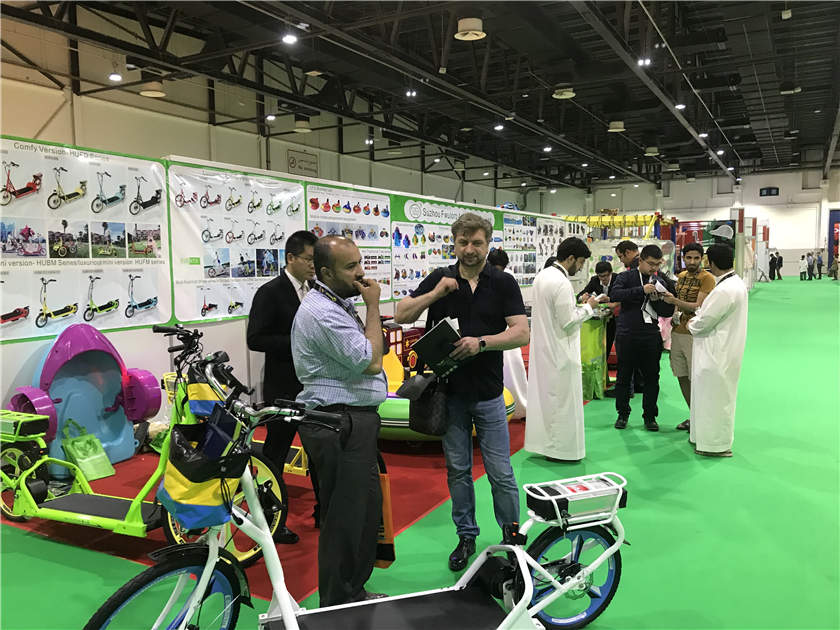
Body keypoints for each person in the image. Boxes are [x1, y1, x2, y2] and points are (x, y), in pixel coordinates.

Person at [395, 212, 529, 572]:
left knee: (501, 471)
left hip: (489, 393)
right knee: (457, 470)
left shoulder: (502, 283)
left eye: (477, 242)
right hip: (449, 394)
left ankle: (511, 537)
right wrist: (436, 293)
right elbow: (402, 314)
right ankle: (466, 535)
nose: (470, 249)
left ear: (488, 244)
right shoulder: (440, 278)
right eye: (463, 242)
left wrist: (481, 343)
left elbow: (521, 332)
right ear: (454, 243)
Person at [291, 235, 388, 605]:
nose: (360, 272)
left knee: (363, 513)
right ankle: (336, 604)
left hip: (352, 421)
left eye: (359, 262)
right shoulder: (321, 312)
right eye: (350, 267)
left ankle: (353, 591)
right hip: (338, 422)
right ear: (326, 272)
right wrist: (374, 306)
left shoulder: (336, 302)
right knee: (344, 519)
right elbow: (371, 361)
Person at [247, 230, 319, 536]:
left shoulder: (315, 290)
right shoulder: (270, 292)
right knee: (275, 453)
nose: (314, 265)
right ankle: (270, 521)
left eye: (316, 259)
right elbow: (255, 339)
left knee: (318, 452)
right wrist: (298, 343)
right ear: (291, 258)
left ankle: (324, 511)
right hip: (283, 387)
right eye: (309, 259)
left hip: (314, 386)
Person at [526, 238, 604, 462]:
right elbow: (568, 321)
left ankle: (547, 445)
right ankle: (562, 451)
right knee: (562, 403)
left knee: (547, 401)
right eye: (580, 262)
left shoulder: (542, 276)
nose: (580, 268)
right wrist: (589, 307)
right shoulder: (561, 282)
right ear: (570, 258)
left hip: (544, 349)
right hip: (560, 352)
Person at [688, 244, 748, 457]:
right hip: (723, 349)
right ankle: (703, 438)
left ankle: (715, 445)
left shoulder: (724, 290)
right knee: (713, 397)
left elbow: (704, 322)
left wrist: (691, 323)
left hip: (716, 352)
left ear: (711, 263)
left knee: (713, 399)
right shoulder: (735, 283)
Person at [609, 244, 675, 431]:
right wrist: (641, 290)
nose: (654, 268)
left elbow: (667, 311)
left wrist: (659, 301)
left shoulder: (661, 280)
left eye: (657, 264)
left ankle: (650, 416)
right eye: (651, 264)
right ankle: (622, 414)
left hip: (650, 335)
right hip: (627, 333)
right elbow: (615, 295)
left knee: (652, 377)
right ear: (641, 260)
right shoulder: (625, 277)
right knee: (623, 376)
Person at [662, 243, 716, 431]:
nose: (692, 261)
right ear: (683, 258)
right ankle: (694, 415)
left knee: (696, 378)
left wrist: (674, 301)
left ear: (702, 259)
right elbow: (678, 304)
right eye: (689, 258)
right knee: (681, 375)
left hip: (695, 334)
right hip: (677, 332)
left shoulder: (707, 278)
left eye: (696, 258)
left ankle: (703, 418)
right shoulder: (681, 276)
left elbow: (698, 306)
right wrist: (674, 310)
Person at [488, 247, 527, 419]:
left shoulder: (507, 278)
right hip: (491, 333)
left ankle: (520, 407)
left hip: (508, 331)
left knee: (514, 368)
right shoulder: (481, 277)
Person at [578, 261, 619, 383]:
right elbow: (581, 294)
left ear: (610, 273)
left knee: (617, 347)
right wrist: (582, 297)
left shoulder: (618, 279)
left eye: (605, 276)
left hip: (617, 318)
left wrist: (611, 300)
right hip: (601, 320)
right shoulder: (594, 280)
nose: (603, 279)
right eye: (600, 276)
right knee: (601, 348)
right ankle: (601, 378)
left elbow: (624, 297)